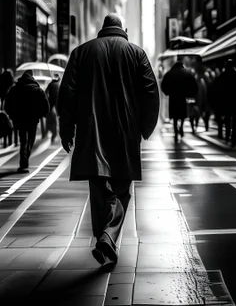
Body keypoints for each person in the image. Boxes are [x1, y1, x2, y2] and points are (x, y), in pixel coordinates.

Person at [57, 13, 159, 266]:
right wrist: (145, 127)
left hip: (92, 130)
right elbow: (150, 93)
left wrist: (66, 130)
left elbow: (66, 95)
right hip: (125, 131)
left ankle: (105, 240)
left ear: (103, 29)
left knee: (99, 185)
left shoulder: (81, 52)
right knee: (121, 187)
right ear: (122, 29)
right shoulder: (136, 53)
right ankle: (108, 239)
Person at [5, 70, 49, 173]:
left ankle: (23, 162)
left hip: (19, 120)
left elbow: (7, 104)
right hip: (33, 120)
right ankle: (25, 159)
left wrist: (12, 115)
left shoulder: (14, 89)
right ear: (32, 77)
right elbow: (45, 105)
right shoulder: (37, 90)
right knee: (30, 140)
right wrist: (42, 114)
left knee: (23, 140)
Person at [209, 59, 236, 145]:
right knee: (235, 120)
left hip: (225, 102)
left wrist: (216, 103)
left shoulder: (222, 76)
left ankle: (227, 136)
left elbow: (215, 90)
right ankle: (233, 138)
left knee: (227, 119)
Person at [161, 59, 198, 142]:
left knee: (174, 117)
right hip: (182, 98)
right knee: (182, 115)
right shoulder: (186, 73)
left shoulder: (169, 74)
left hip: (173, 98)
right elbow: (194, 85)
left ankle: (176, 132)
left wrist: (167, 93)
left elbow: (163, 86)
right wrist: (189, 94)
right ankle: (181, 127)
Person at [45, 73, 61, 143]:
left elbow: (45, 93)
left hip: (51, 105)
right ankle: (55, 134)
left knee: (52, 121)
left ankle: (52, 133)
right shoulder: (59, 85)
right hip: (57, 106)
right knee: (56, 121)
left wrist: (49, 100)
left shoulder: (50, 84)